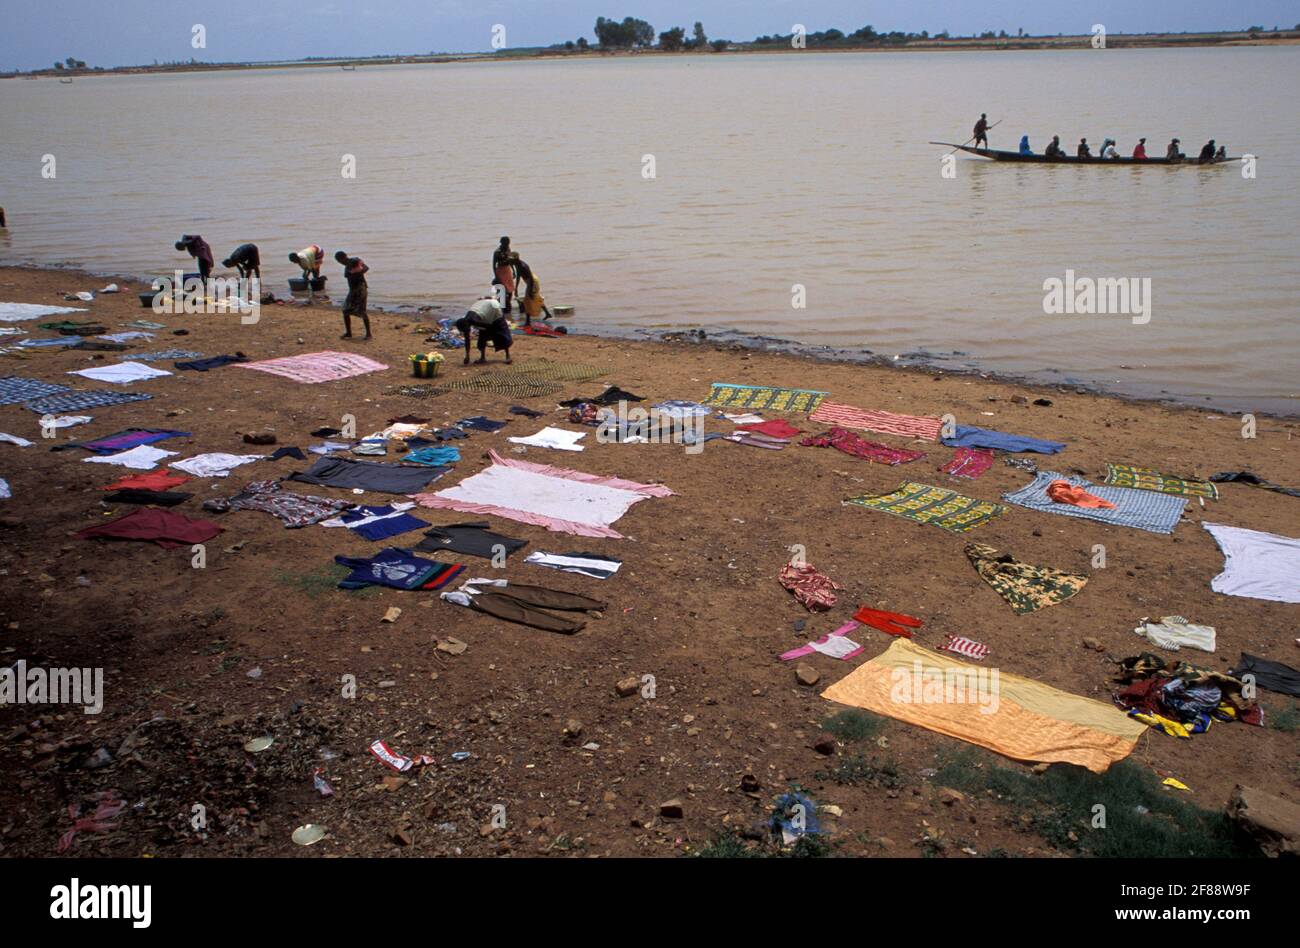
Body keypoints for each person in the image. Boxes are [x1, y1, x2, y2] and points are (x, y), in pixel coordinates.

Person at [457, 295, 512, 365]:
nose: (466, 332)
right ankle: (482, 358)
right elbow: (467, 339)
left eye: (465, 330)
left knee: (501, 333)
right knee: (482, 337)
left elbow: (490, 327)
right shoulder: (465, 321)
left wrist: (493, 333)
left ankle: (508, 356)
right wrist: (467, 356)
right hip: (484, 306)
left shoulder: (474, 320)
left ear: (466, 326)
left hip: (494, 307)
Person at [334, 250, 371, 340]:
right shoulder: (348, 265)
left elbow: (366, 268)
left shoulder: (354, 261)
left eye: (340, 260)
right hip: (353, 290)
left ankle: (369, 334)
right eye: (339, 261)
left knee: (362, 311)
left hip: (360, 289)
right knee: (345, 310)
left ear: (344, 257)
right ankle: (349, 333)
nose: (340, 263)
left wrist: (357, 272)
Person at [511, 253, 553, 325]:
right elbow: (518, 276)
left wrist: (530, 290)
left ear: (515, 259)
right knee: (536, 298)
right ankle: (548, 314)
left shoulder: (523, 266)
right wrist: (516, 288)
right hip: (530, 281)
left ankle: (528, 321)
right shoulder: (517, 264)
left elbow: (530, 279)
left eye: (511, 260)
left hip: (532, 282)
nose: (510, 261)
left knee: (527, 300)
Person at [491, 236, 515, 315]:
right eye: (506, 243)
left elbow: (510, 260)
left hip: (507, 270)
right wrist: (497, 277)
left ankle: (507, 306)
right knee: (501, 291)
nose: (507, 244)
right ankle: (501, 309)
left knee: (510, 290)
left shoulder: (508, 249)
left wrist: (513, 271)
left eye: (508, 243)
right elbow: (494, 265)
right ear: (501, 242)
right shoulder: (497, 252)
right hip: (500, 271)